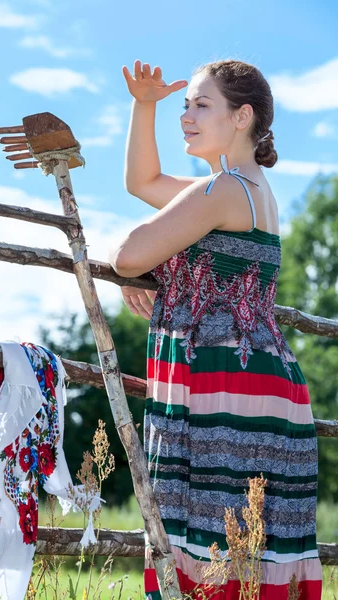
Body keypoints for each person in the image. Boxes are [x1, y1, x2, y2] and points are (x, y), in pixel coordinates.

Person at [108, 58, 322, 599]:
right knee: (243, 538)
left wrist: (154, 267)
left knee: (212, 535)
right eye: (186, 105)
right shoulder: (249, 188)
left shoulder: (225, 189)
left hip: (226, 381)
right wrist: (145, 104)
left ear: (242, 117)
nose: (188, 116)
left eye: (202, 104)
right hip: (251, 374)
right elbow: (144, 183)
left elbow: (128, 254)